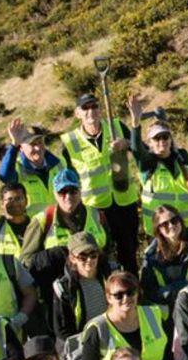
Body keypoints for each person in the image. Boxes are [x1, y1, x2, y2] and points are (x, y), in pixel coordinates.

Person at [58, 92, 141, 272]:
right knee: (99, 257)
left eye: (94, 106)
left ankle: (133, 294)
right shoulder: (69, 142)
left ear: (100, 109)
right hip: (94, 209)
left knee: (129, 254)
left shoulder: (117, 126)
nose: (91, 112)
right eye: (85, 108)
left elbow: (142, 152)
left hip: (125, 203)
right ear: (77, 113)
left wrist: (126, 143)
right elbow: (67, 180)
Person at [76, 271, 173, 360]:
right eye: (118, 295)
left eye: (130, 292)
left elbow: (168, 356)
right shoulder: (97, 329)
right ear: (108, 297)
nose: (126, 298)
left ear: (138, 293)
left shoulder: (154, 315)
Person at [129, 102, 188, 237]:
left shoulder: (183, 157)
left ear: (170, 139)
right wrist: (135, 124)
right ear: (150, 142)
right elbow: (136, 149)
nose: (162, 141)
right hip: (162, 231)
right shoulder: (147, 163)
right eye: (156, 138)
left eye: (165, 136)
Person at [19, 167, 109, 259]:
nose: (68, 197)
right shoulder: (42, 221)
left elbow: (109, 251)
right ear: (54, 194)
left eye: (73, 191)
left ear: (80, 190)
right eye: (62, 192)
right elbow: (26, 261)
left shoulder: (97, 215)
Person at [42, 232, 110, 345]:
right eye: (83, 256)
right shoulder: (63, 287)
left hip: (111, 337)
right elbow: (62, 330)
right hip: (82, 343)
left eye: (93, 254)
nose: (89, 260)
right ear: (72, 258)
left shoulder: (111, 275)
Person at [0, 119, 60, 217]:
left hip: (61, 224)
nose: (38, 148)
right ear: (21, 148)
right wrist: (14, 145)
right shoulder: (18, 169)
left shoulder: (59, 164)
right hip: (35, 228)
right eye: (32, 144)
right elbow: (5, 176)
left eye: (40, 142)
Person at [139, 204, 188, 308]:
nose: (171, 225)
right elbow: (148, 290)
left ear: (180, 221)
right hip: (165, 308)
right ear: (158, 229)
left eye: (174, 220)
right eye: (164, 224)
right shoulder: (150, 255)